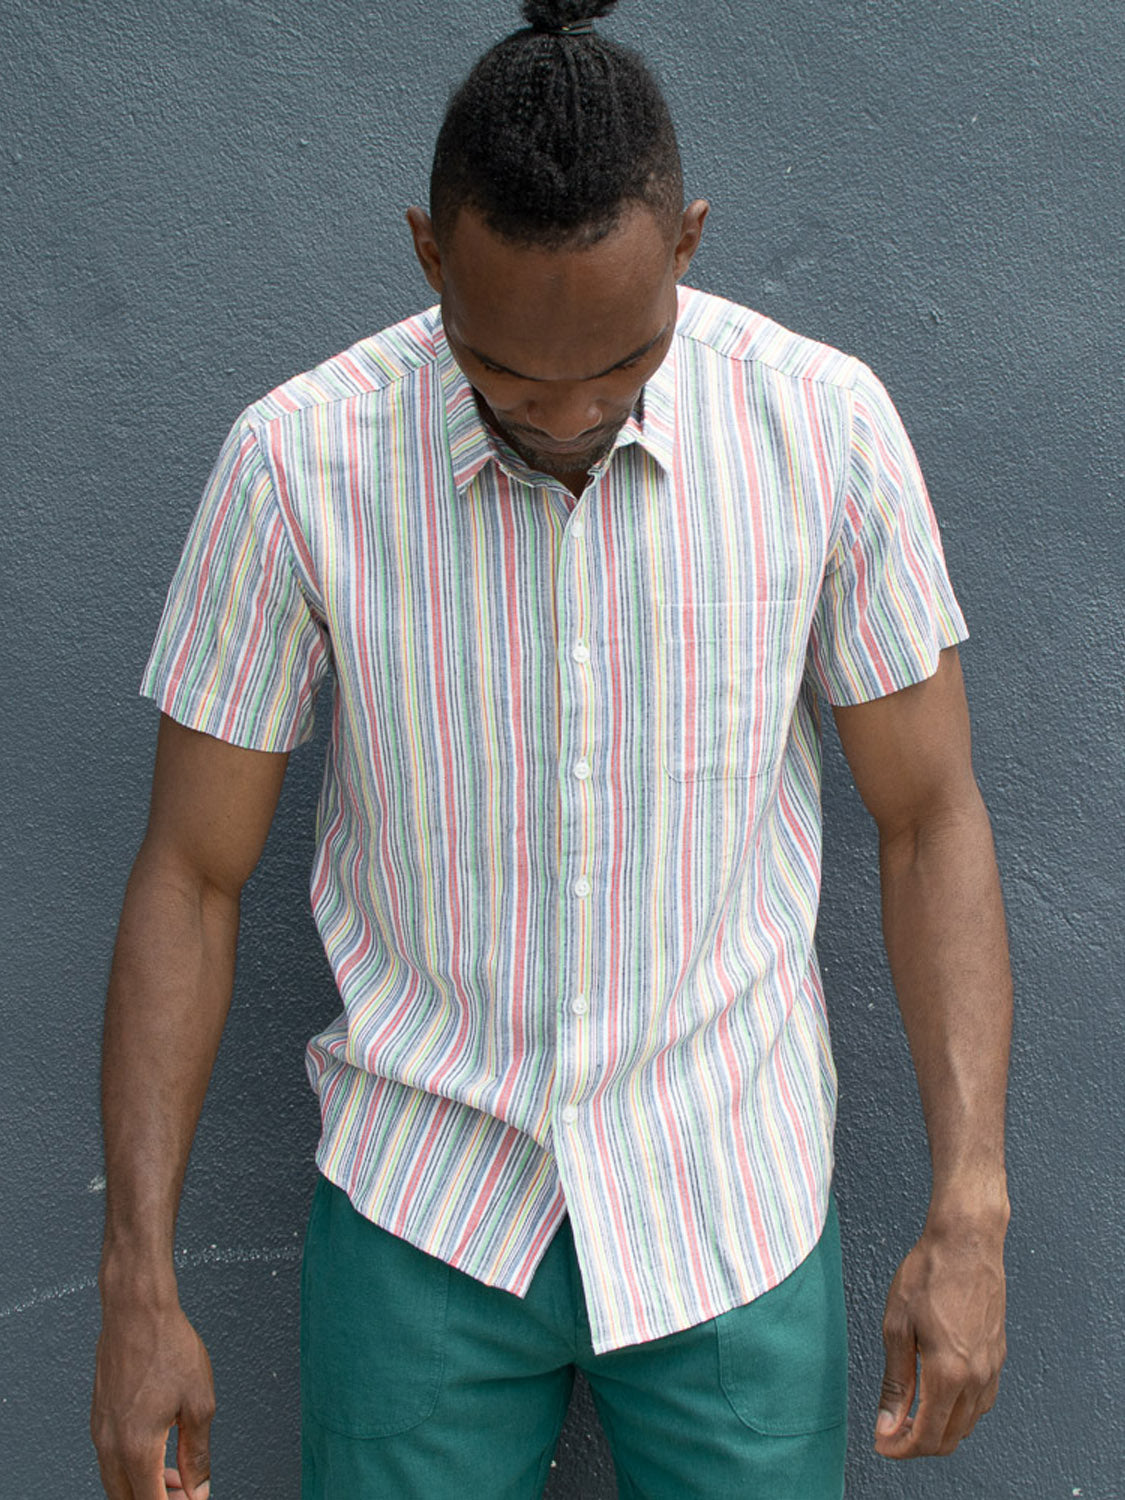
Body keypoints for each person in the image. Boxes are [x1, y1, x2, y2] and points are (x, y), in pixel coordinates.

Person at [90, 2, 1012, 1496]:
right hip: (421, 1212)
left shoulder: (822, 433)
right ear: (427, 257)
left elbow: (932, 821)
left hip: (730, 1199)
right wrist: (137, 1282)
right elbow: (191, 875)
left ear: (692, 244)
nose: (573, 417)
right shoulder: (296, 464)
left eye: (624, 369)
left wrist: (968, 1208)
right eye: (512, 385)